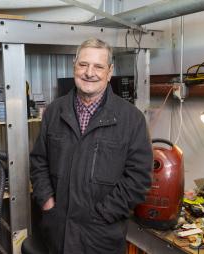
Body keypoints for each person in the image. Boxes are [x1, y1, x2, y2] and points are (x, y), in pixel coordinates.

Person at [30, 38, 153, 254]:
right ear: (74, 66)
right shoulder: (54, 112)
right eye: (83, 64)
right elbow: (39, 161)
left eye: (98, 66)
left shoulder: (131, 119)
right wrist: (48, 204)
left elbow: (138, 178)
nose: (89, 73)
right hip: (57, 233)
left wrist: (103, 215)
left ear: (110, 71)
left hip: (100, 238)